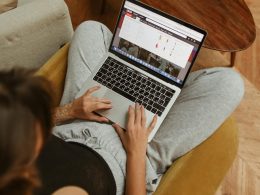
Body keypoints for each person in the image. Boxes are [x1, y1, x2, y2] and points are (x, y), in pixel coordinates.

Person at [0, 21, 244, 195]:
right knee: (229, 84)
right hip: (134, 159)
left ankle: (150, 82)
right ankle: (166, 89)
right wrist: (137, 152)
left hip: (78, 123)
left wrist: (71, 110)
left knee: (91, 29)